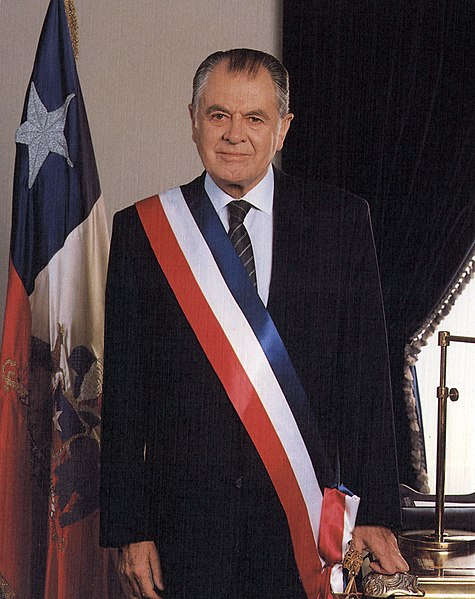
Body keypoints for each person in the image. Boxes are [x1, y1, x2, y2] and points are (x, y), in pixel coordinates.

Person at [99, 48, 409, 599]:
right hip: (184, 533)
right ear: (193, 121)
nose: (233, 134)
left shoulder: (341, 222)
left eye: (254, 118)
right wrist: (130, 527)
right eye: (218, 115)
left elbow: (366, 382)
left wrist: (377, 510)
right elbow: (126, 397)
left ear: (283, 128)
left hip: (307, 526)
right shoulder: (143, 231)